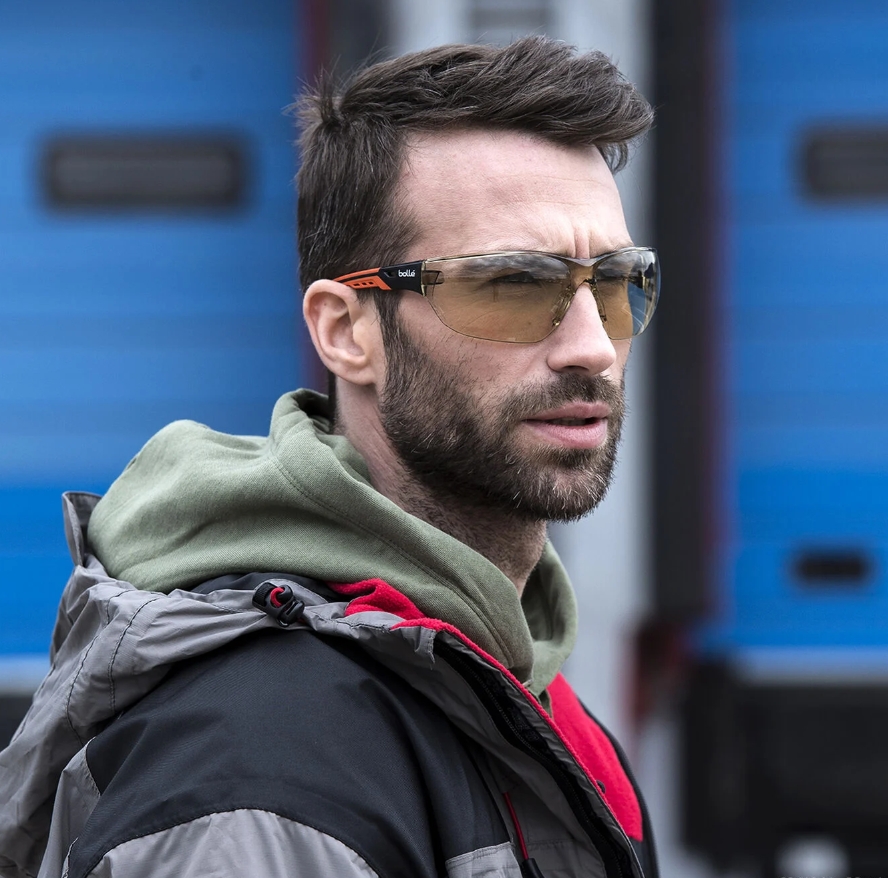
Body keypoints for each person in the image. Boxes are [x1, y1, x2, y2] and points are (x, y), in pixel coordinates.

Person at [0, 36, 660, 878]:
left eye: (616, 284)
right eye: (511, 285)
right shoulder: (258, 778)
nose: (593, 347)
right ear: (346, 331)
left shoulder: (517, 684)